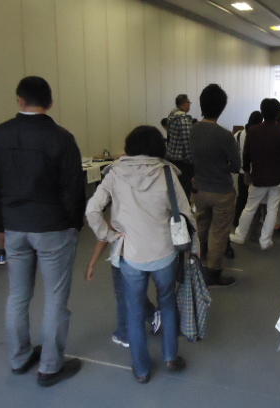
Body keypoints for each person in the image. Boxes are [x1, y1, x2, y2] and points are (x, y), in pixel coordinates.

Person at [0, 76, 85, 386]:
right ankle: (50, 367)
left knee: (18, 295)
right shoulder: (61, 138)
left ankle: (19, 358)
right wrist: (74, 223)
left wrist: (5, 218)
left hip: (15, 226)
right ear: (50, 102)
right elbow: (74, 187)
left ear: (19, 100)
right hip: (52, 225)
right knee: (55, 297)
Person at [86, 125, 192, 383]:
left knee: (134, 310)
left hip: (131, 255)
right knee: (167, 302)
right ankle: (170, 357)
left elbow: (92, 210)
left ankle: (142, 370)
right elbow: (186, 214)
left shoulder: (114, 173)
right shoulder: (167, 172)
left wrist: (110, 236)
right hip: (164, 252)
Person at [190, 84, 240, 286]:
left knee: (201, 226)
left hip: (199, 188)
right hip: (221, 191)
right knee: (218, 232)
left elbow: (188, 158)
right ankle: (213, 272)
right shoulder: (225, 135)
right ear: (222, 107)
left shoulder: (192, 130)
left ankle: (197, 264)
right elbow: (236, 165)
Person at [230, 98, 280, 251]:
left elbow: (246, 154)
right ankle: (265, 241)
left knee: (249, 207)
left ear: (262, 112)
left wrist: (246, 172)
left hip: (257, 177)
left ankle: (240, 236)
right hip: (277, 178)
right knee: (272, 209)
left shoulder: (253, 131)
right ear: (278, 114)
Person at [85, 240, 161, 348]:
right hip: (142, 255)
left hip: (122, 258)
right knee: (133, 292)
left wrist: (92, 264)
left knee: (123, 295)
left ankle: (125, 333)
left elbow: (103, 237)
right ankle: (150, 315)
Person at [233, 111, 263, 227]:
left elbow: (233, 152)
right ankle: (252, 224)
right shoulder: (260, 134)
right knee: (255, 200)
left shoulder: (238, 134)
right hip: (256, 173)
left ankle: (237, 221)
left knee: (241, 198)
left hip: (242, 172)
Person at [166, 94, 194, 199]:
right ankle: (185, 208)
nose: (190, 104)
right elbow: (188, 142)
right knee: (184, 190)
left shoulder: (171, 117)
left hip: (172, 158)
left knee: (175, 188)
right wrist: (192, 161)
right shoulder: (183, 119)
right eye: (189, 102)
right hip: (183, 161)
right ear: (184, 104)